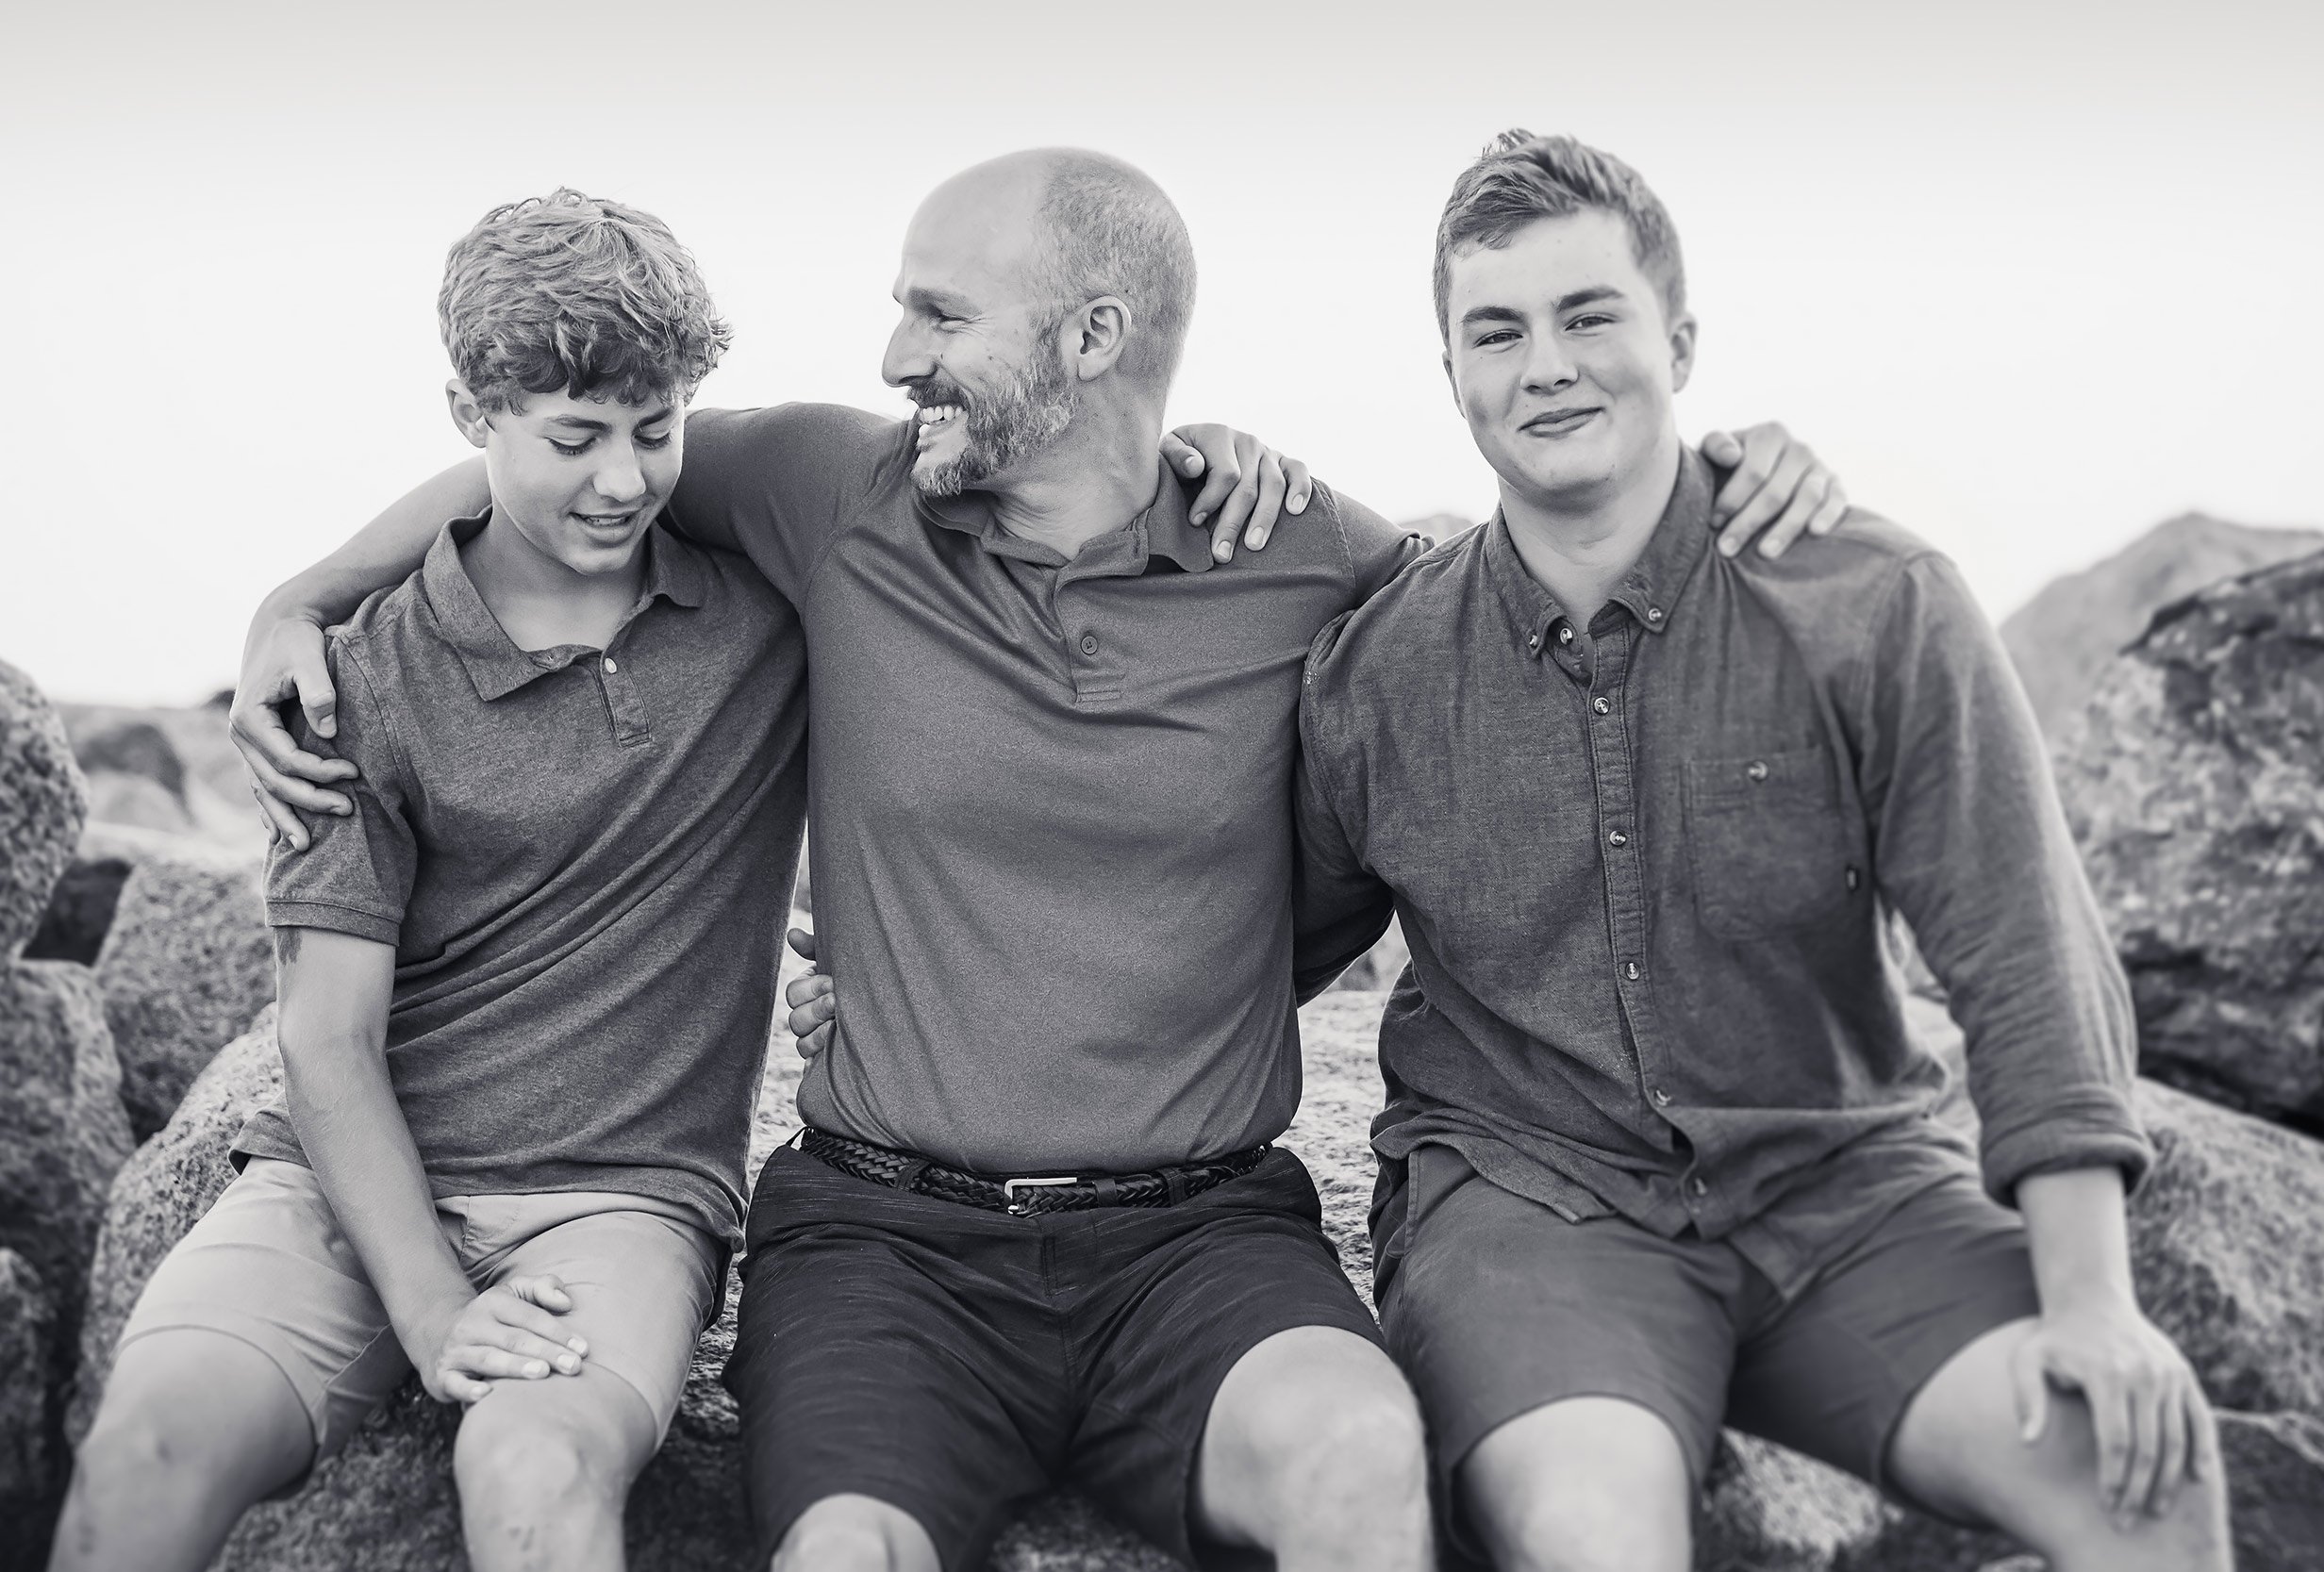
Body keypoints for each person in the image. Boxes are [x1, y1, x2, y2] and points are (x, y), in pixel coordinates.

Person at [232, 149, 1845, 1572]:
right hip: (883, 1240)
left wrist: (1717, 476)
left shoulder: (1289, 544)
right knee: (844, 1551)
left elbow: (1526, 586)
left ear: (1090, 339)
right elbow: (551, 460)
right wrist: (295, 600)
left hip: (1205, 1239)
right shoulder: (833, 490)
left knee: (1363, 1468)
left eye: (939, 317)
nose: (893, 355)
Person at [1284, 131, 2231, 1572]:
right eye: (1498, 332)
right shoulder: (1380, 675)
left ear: (1679, 336)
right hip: (1537, 1206)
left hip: (1843, 1190)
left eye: (1589, 315)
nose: (1546, 365)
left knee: (2137, 1474)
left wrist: (2093, 1301)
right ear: (1454, 378)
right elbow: (1245, 949)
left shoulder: (1871, 600)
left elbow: (2023, 945)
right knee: (1598, 1532)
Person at [54, 190, 801, 1572]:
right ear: (470, 411)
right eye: (573, 440)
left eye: (656, 432)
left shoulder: (766, 621)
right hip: (337, 1178)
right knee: (143, 1448)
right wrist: (430, 1311)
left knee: (535, 1464)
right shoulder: (359, 678)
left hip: (621, 1197)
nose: (625, 482)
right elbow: (326, 1039)